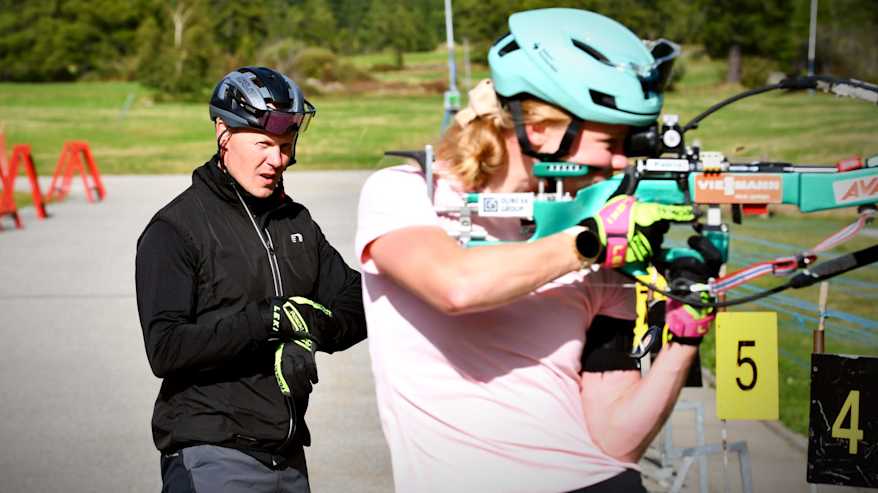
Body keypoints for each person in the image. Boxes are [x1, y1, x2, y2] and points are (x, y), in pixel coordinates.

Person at [355, 8, 716, 493]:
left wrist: (685, 334)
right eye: (610, 141)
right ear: (541, 127)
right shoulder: (405, 194)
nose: (619, 162)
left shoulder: (601, 234)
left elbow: (615, 441)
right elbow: (456, 286)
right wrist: (589, 242)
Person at [135, 66, 367, 493]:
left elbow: (358, 299)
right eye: (262, 144)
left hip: (288, 454)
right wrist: (266, 322)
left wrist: (310, 327)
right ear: (223, 133)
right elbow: (165, 349)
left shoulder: (294, 221)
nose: (276, 160)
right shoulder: (176, 229)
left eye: (284, 145)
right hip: (211, 453)